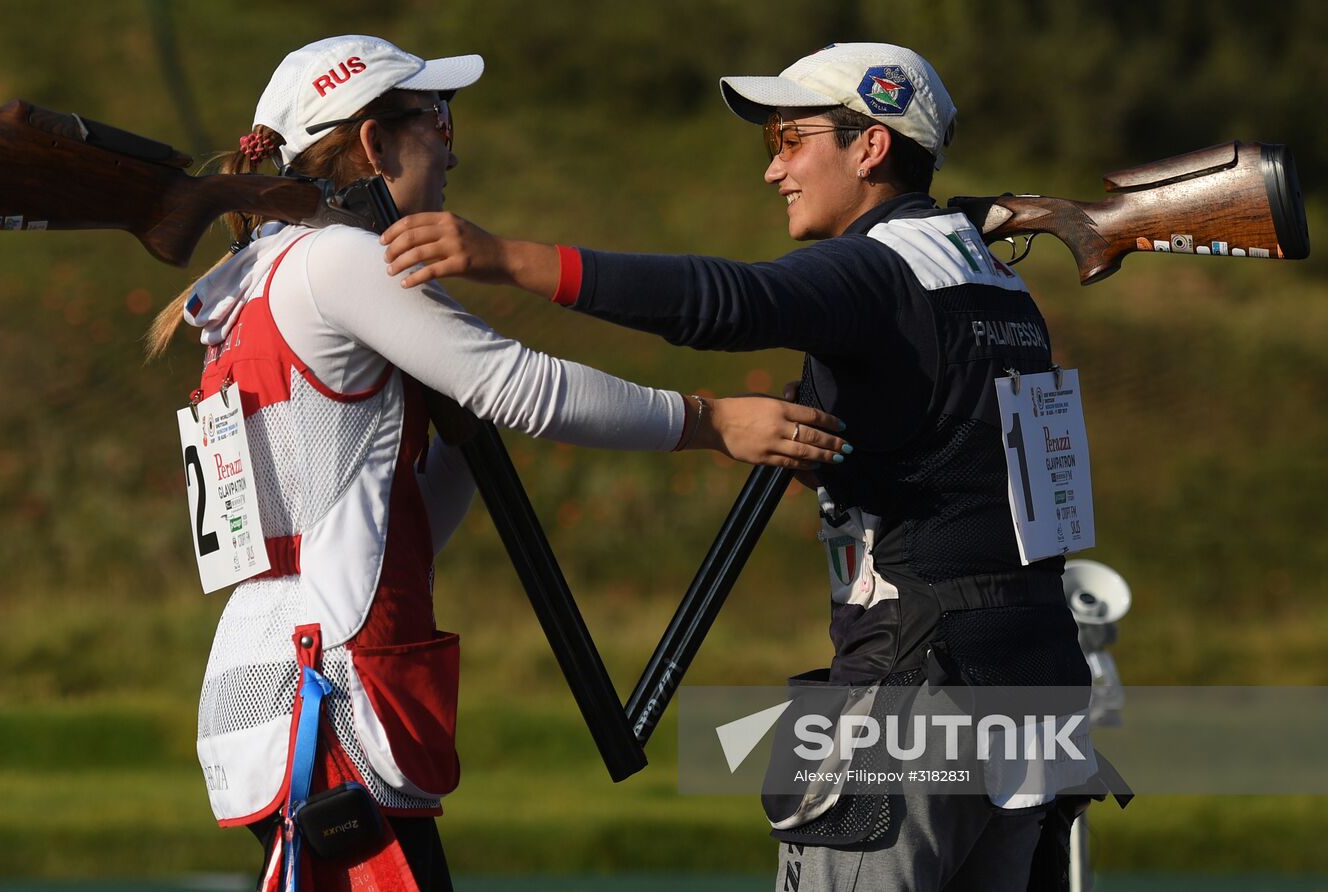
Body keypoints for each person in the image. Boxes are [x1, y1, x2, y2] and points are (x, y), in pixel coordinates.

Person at [378, 42, 1100, 892]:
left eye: (790, 141)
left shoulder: (878, 271)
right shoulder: (996, 284)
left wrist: (509, 260)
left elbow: (726, 301)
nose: (775, 171)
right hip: (1035, 683)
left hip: (919, 677)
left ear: (870, 147)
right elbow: (953, 455)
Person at [144, 35, 847, 892]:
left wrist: (463, 428)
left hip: (283, 688)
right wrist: (709, 420)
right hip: (330, 700)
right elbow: (527, 387)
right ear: (372, 143)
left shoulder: (249, 278)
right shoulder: (335, 259)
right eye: (435, 118)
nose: (449, 144)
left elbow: (396, 525)